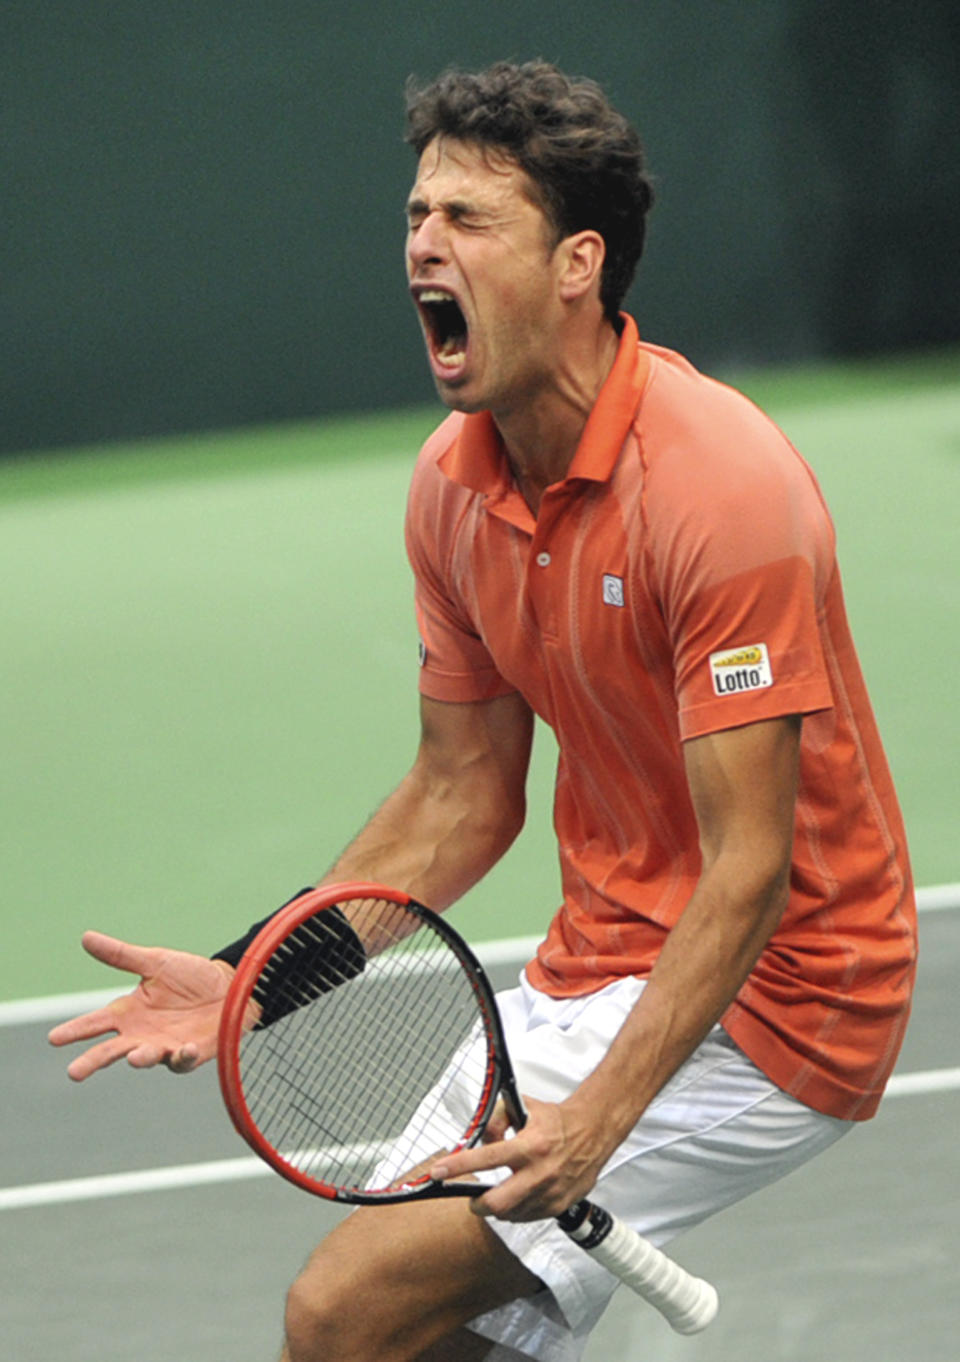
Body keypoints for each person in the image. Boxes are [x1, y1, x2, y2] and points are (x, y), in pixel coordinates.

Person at [49, 61, 917, 1362]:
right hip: (601, 959)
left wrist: (599, 1122)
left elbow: (751, 866)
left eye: (467, 219)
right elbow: (463, 788)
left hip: (783, 996)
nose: (421, 244)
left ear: (577, 265)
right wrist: (252, 976)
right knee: (447, 1343)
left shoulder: (721, 490)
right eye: (416, 215)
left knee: (342, 1315)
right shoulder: (453, 486)